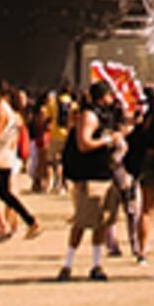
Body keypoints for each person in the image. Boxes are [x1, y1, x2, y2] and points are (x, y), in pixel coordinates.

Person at [59, 86, 122, 282]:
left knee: (102, 223)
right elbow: (84, 143)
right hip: (89, 176)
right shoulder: (89, 116)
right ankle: (67, 264)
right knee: (82, 222)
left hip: (104, 174)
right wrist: (107, 140)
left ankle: (96, 264)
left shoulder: (105, 115)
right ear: (103, 97)